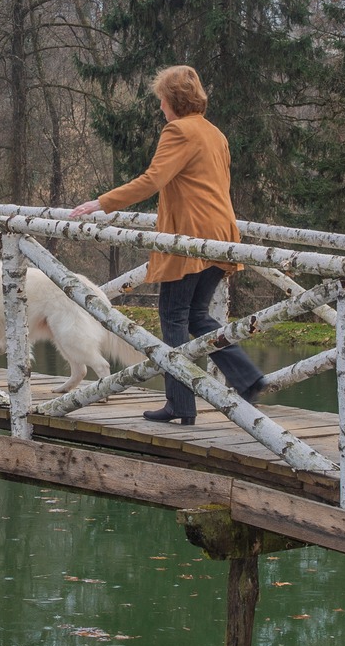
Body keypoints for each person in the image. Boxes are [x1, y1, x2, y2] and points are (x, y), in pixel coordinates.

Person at [69, 65, 265, 425]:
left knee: (174, 316)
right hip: (221, 233)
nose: (160, 107)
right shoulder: (215, 133)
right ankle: (247, 377)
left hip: (189, 237)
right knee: (196, 316)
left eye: (161, 99)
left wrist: (101, 203)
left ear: (173, 100)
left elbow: (153, 180)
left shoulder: (178, 130)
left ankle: (180, 404)